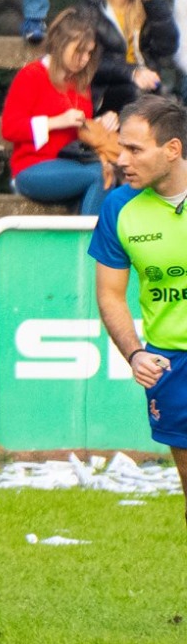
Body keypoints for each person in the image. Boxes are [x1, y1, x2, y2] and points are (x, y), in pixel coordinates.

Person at [91, 94, 187, 514]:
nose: (120, 159)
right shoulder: (118, 207)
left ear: (172, 149)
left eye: (134, 149)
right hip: (172, 363)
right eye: (120, 147)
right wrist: (134, 352)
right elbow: (110, 294)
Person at [4, 8, 109, 214]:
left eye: (89, 52)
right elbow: (10, 128)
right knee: (100, 175)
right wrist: (57, 121)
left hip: (71, 167)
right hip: (32, 168)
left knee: (108, 175)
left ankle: (88, 241)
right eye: (79, 51)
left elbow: (79, 135)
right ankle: (90, 244)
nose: (85, 59)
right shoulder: (31, 75)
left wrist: (101, 123)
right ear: (60, 44)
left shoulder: (79, 83)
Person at [81, 0, 180, 116]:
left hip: (148, 85)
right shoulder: (89, 11)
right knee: (138, 98)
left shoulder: (147, 4)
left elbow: (168, 46)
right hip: (105, 90)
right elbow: (90, 63)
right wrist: (132, 72)